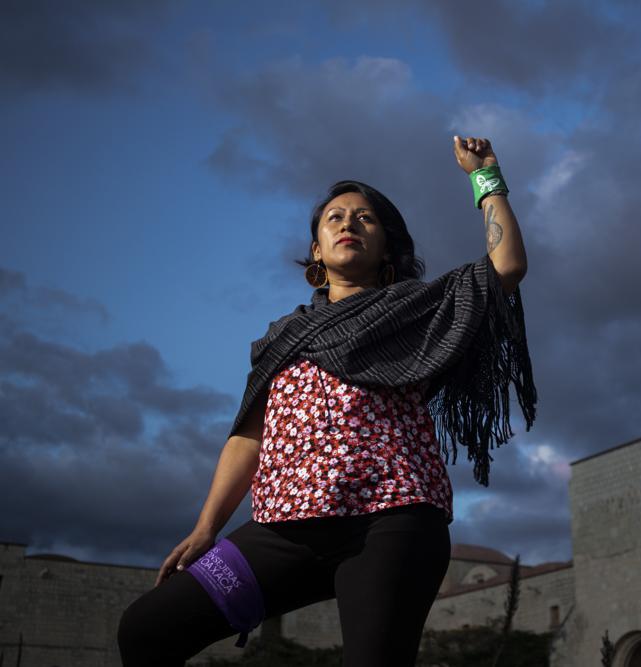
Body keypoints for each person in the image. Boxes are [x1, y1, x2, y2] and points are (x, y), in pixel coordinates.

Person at [117, 136, 536, 666]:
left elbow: (506, 265)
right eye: (335, 217)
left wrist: (486, 176)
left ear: (387, 247)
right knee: (147, 629)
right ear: (316, 248)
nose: (348, 224)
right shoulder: (282, 337)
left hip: (392, 522)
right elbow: (250, 437)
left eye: (365, 219)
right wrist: (206, 528)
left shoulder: (415, 309)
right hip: (284, 532)